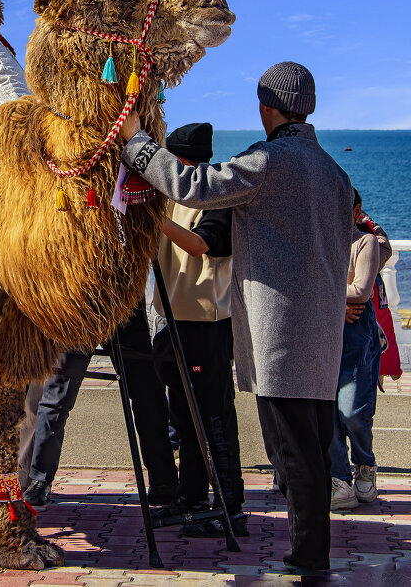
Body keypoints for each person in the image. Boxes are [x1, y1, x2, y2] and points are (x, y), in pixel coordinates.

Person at [119, 61, 353, 575]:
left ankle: (309, 559)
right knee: (310, 447)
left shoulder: (269, 160)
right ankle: (312, 551)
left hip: (281, 331)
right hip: (322, 328)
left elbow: (193, 186)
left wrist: (136, 143)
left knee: (293, 453)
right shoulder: (335, 174)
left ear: (265, 107)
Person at [149, 122, 246, 537]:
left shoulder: (217, 198)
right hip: (171, 320)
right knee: (183, 418)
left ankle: (229, 507)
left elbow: (202, 245)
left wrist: (153, 221)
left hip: (207, 324)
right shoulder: (167, 199)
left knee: (213, 420)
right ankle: (191, 498)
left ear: (185, 162)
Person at [21, 305, 178, 508]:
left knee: (147, 394)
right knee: (56, 397)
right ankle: (40, 478)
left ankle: (164, 480)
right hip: (80, 302)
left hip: (121, 301)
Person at [329, 190, 392, 510]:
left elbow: (361, 291)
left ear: (356, 212)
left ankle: (365, 462)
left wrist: (327, 294)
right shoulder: (317, 241)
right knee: (327, 411)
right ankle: (339, 477)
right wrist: (336, 301)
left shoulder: (364, 242)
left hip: (356, 334)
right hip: (322, 331)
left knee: (353, 409)